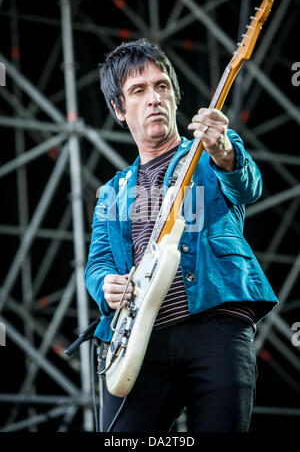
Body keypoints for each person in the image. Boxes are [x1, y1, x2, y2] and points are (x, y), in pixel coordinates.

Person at [84, 38, 278, 432]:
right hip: (140, 340)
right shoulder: (111, 193)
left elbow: (247, 186)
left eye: (162, 87)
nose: (154, 98)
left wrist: (223, 147)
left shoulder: (208, 154)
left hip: (217, 326)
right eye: (138, 91)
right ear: (119, 110)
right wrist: (106, 284)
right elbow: (98, 263)